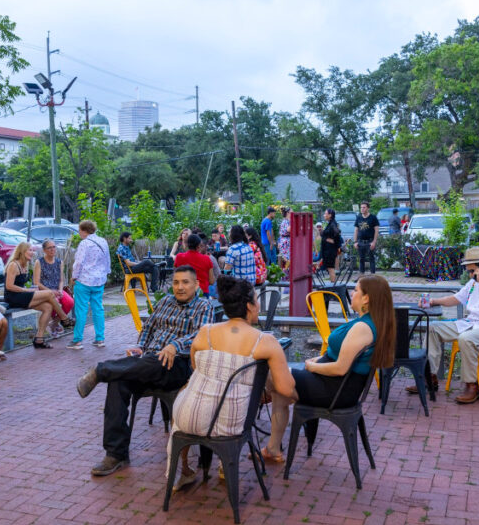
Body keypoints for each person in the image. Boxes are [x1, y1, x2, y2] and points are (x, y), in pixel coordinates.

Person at [74, 266, 214, 477]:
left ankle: (101, 370)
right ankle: (115, 454)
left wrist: (175, 345)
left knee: (145, 363)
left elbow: (201, 336)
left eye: (185, 282)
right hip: (149, 361)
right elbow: (148, 328)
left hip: (178, 365)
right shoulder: (165, 302)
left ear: (197, 285)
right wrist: (141, 347)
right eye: (176, 282)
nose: (180, 287)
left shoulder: (204, 306)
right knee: (119, 382)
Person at [166, 275, 296, 490]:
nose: (259, 304)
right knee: (239, 402)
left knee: (189, 391)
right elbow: (285, 389)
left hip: (185, 417)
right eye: (256, 299)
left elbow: (196, 367)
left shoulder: (205, 331)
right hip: (230, 424)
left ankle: (184, 470)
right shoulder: (266, 341)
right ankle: (227, 463)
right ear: (248, 305)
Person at [267, 275, 396, 458]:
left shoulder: (363, 328)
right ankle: (272, 449)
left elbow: (340, 368)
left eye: (356, 290)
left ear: (366, 298)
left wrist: (312, 367)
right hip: (332, 384)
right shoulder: (367, 322)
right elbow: (338, 356)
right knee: (279, 392)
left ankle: (260, 400)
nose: (352, 293)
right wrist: (318, 360)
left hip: (334, 390)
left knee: (271, 373)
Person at [413, 247, 479, 404]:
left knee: (466, 338)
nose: (470, 275)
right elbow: (457, 298)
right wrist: (433, 302)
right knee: (433, 327)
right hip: (472, 324)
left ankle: (472, 385)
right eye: (469, 271)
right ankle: (429, 377)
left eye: (472, 271)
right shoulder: (474, 281)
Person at [4, 241, 74, 349]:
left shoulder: (25, 265)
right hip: (13, 297)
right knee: (50, 294)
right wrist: (26, 290)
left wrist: (29, 289)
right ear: (22, 252)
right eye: (30, 250)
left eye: (33, 250)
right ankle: (64, 319)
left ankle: (39, 339)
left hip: (22, 295)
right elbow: (9, 286)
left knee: (48, 307)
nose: (32, 252)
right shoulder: (14, 264)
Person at [68, 220, 111, 350]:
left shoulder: (84, 243)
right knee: (98, 308)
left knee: (81, 310)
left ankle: (77, 340)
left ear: (83, 230)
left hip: (84, 280)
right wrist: (105, 273)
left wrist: (74, 276)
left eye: (80, 230)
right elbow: (107, 259)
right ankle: (100, 338)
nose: (79, 233)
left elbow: (79, 262)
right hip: (99, 280)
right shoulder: (103, 241)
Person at [33, 239, 74, 335]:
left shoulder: (60, 262)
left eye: (54, 247)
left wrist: (60, 290)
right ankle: (53, 323)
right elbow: (36, 282)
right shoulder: (39, 262)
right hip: (44, 291)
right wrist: (51, 291)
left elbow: (61, 280)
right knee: (56, 302)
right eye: (49, 248)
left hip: (57, 289)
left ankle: (54, 323)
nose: (52, 249)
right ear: (44, 250)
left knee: (70, 302)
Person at [352, 202, 380, 274]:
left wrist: (374, 242)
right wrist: (355, 241)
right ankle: (362, 275)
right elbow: (356, 230)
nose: (362, 209)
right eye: (361, 207)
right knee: (361, 259)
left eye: (364, 207)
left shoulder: (373, 218)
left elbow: (376, 230)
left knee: (371, 258)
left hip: (370, 241)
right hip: (360, 241)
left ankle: (372, 275)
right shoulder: (358, 217)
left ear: (368, 208)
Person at [321, 209, 342, 282]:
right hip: (327, 250)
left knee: (331, 268)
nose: (324, 215)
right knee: (329, 269)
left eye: (325, 213)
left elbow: (337, 233)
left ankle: (333, 286)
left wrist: (330, 240)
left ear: (330, 215)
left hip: (330, 250)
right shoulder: (330, 223)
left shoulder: (333, 224)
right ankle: (332, 283)